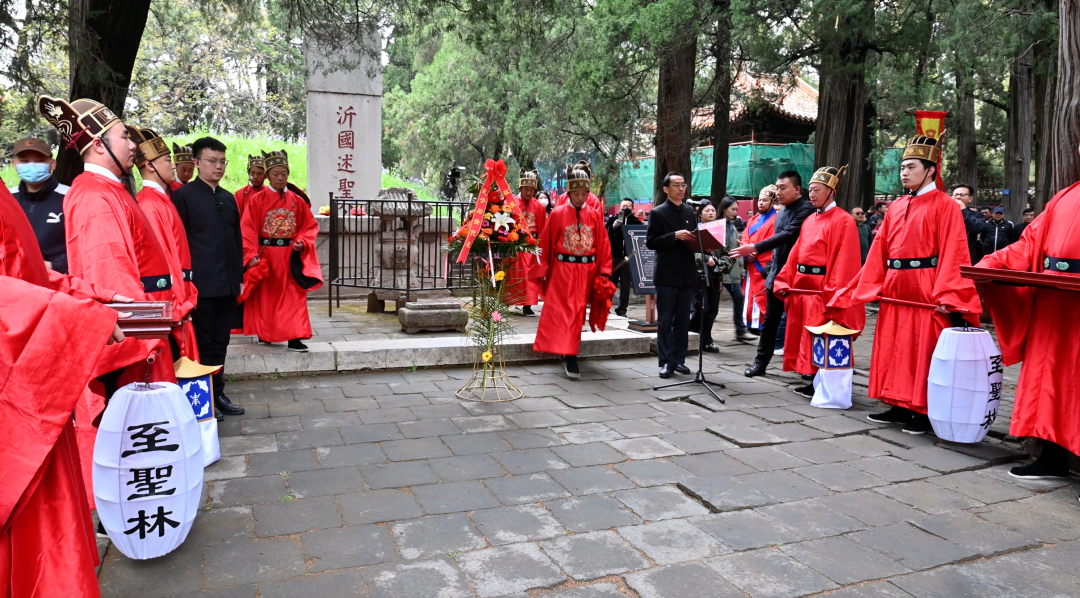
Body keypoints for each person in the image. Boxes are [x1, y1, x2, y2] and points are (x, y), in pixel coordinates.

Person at [827, 134, 980, 434]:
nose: (904, 172)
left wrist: (947, 290)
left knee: (922, 348)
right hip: (896, 285)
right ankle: (897, 403)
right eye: (902, 168)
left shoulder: (945, 205)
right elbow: (879, 249)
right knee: (894, 347)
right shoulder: (896, 206)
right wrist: (870, 283)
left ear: (931, 169)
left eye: (911, 166)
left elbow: (954, 248)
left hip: (926, 285)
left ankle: (922, 410)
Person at [1, 275, 124, 598]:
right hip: (19, 375)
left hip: (34, 377)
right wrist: (70, 313)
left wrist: (94, 295)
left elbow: (34, 271)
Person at [975, 147, 1079, 490]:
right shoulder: (1064, 197)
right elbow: (1029, 244)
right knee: (1051, 381)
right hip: (1053, 304)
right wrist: (993, 264)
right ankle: (1052, 457)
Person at [772, 166, 865, 398]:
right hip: (802, 286)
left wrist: (833, 292)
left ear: (831, 191)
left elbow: (845, 261)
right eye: (810, 190)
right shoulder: (810, 220)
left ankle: (822, 381)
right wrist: (784, 278)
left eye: (817, 190)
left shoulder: (843, 220)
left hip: (821, 289)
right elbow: (796, 253)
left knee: (820, 335)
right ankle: (811, 379)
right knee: (804, 335)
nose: (812, 195)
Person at [172, 136, 245, 416]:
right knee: (201, 343)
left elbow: (237, 241)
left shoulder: (228, 198)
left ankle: (219, 393)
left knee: (220, 342)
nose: (218, 166)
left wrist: (238, 278)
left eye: (222, 161)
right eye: (212, 161)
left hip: (227, 285)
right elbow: (176, 243)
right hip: (199, 287)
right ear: (197, 163)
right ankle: (200, 400)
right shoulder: (183, 197)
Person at [128, 127, 201, 365]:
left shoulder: (161, 199)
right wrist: (178, 304)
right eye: (167, 160)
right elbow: (163, 259)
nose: (173, 165)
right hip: (170, 301)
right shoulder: (149, 203)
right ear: (150, 166)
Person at [532, 162, 612, 379]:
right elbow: (546, 242)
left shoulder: (595, 215)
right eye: (575, 193)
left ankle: (568, 351)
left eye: (583, 193)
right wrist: (543, 269)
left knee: (577, 313)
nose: (580, 197)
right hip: (562, 270)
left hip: (587, 270)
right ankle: (570, 356)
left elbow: (603, 243)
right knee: (567, 311)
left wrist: (604, 271)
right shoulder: (557, 213)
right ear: (569, 192)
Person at [731, 171, 815, 378]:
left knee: (800, 322)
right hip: (777, 273)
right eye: (777, 188)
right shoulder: (783, 211)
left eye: (782, 188)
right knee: (770, 321)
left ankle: (805, 366)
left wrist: (754, 247)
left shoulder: (806, 210)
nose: (778, 192)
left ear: (797, 189)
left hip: (797, 276)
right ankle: (760, 363)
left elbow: (787, 235)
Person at [241, 150, 323, 352]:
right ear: (268, 175)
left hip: (289, 256)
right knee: (266, 297)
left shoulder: (297, 200)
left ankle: (295, 337)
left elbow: (310, 226)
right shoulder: (257, 200)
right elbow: (247, 228)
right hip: (266, 255)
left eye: (284, 174)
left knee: (294, 296)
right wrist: (251, 254)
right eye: (276, 174)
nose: (280, 178)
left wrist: (302, 242)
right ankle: (267, 333)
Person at [647, 172, 699, 379]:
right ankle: (666, 361)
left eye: (683, 185)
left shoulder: (690, 211)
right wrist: (673, 236)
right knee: (665, 320)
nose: (681, 188)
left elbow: (696, 239)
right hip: (667, 274)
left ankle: (679, 360)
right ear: (666, 189)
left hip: (687, 273)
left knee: (683, 321)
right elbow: (651, 242)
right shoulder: (658, 213)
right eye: (676, 185)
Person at [9, 137, 69, 274]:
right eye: (24, 161)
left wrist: (55, 266)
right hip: (15, 277)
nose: (32, 165)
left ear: (52, 164)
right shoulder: (7, 199)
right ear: (14, 164)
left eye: (39, 160)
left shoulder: (70, 197)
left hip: (60, 278)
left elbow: (82, 243)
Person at [506, 169, 548, 316]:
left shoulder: (538, 206)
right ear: (520, 188)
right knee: (515, 274)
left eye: (532, 190)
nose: (529, 192)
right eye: (526, 189)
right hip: (516, 243)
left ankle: (527, 305)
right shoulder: (511, 204)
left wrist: (542, 245)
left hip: (532, 245)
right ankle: (510, 300)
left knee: (531, 276)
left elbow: (543, 227)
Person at [742, 185, 778, 331]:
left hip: (762, 262)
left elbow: (773, 240)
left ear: (773, 202)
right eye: (760, 200)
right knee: (749, 292)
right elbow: (744, 236)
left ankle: (763, 325)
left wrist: (754, 251)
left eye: (765, 200)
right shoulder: (753, 219)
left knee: (761, 294)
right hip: (750, 262)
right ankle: (750, 323)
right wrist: (746, 251)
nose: (761, 203)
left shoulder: (776, 219)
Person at [606, 198, 642, 317]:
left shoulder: (636, 222)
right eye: (623, 206)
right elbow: (606, 236)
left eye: (627, 206)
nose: (624, 208)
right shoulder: (612, 220)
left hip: (629, 258)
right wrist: (615, 226)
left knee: (626, 285)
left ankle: (622, 310)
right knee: (611, 284)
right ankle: (605, 307)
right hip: (614, 257)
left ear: (632, 208)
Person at [952, 184, 983, 264]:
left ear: (970, 199)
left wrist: (963, 210)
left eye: (962, 195)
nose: (958, 197)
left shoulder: (976, 215)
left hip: (967, 255)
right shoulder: (944, 213)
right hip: (948, 254)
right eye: (956, 195)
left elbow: (978, 228)